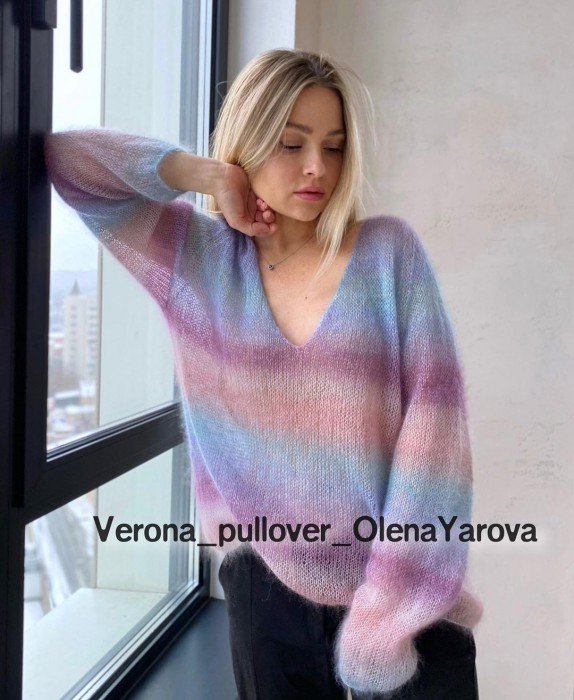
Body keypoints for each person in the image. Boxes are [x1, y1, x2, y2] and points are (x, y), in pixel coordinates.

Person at [44, 48, 483, 700]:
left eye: (334, 146)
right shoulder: (197, 259)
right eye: (290, 143)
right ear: (247, 142)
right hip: (266, 595)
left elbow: (436, 437)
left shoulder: (388, 255)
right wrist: (204, 173)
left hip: (404, 591)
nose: (317, 167)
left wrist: (388, 608)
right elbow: (69, 161)